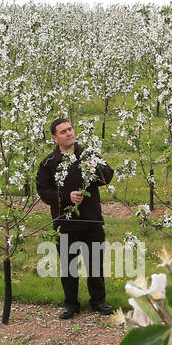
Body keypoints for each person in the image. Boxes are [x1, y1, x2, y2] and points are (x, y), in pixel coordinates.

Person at [35, 117, 114, 319]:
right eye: (63, 131)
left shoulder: (87, 154)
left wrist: (93, 166)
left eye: (70, 129)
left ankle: (98, 302)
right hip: (66, 222)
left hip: (91, 219)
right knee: (69, 267)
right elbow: (43, 191)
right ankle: (71, 305)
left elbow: (107, 176)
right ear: (54, 138)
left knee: (95, 263)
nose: (69, 133)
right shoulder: (49, 163)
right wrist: (65, 197)